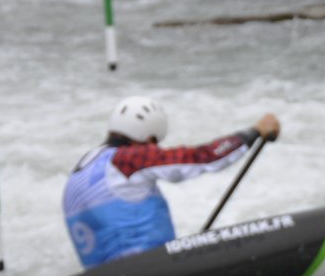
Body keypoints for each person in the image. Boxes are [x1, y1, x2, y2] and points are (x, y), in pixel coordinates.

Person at [63, 97, 281, 267]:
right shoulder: (128, 159)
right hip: (146, 269)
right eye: (154, 143)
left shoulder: (79, 172)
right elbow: (204, 157)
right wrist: (253, 132)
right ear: (148, 138)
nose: (154, 149)